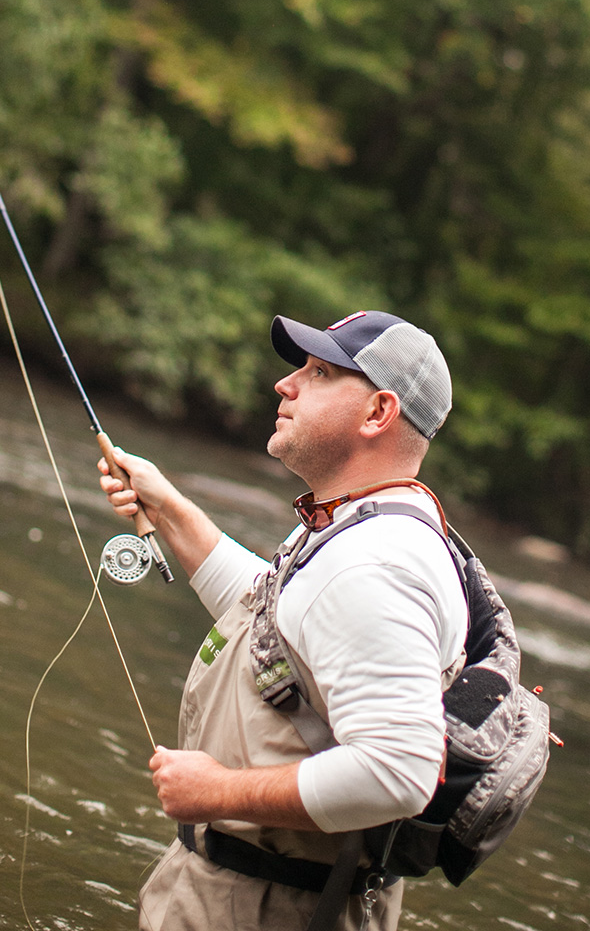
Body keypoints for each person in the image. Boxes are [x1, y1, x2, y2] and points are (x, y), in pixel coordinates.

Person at [98, 310, 468, 931]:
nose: (285, 384)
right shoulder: (353, 524)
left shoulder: (375, 564)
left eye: (319, 372)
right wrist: (171, 511)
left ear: (378, 414)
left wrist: (216, 793)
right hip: (248, 891)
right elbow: (278, 623)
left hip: (275, 908)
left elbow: (399, 771)